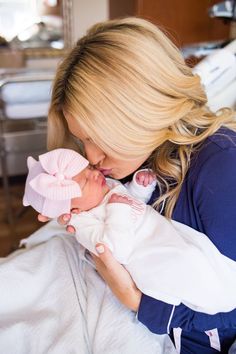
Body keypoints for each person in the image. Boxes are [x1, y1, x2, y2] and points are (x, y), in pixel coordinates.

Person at [41, 17, 236, 353]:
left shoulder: (220, 167)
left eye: (96, 137)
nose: (91, 156)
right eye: (81, 140)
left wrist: (137, 302)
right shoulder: (135, 162)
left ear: (136, 113)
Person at [24, 148, 236, 315]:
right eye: (86, 180)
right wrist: (118, 209)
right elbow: (117, 249)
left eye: (88, 168)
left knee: (200, 252)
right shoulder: (84, 225)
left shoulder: (104, 189)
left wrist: (140, 187)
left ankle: (224, 285)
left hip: (162, 233)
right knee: (187, 265)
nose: (95, 174)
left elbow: (131, 201)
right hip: (150, 258)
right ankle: (217, 297)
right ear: (70, 208)